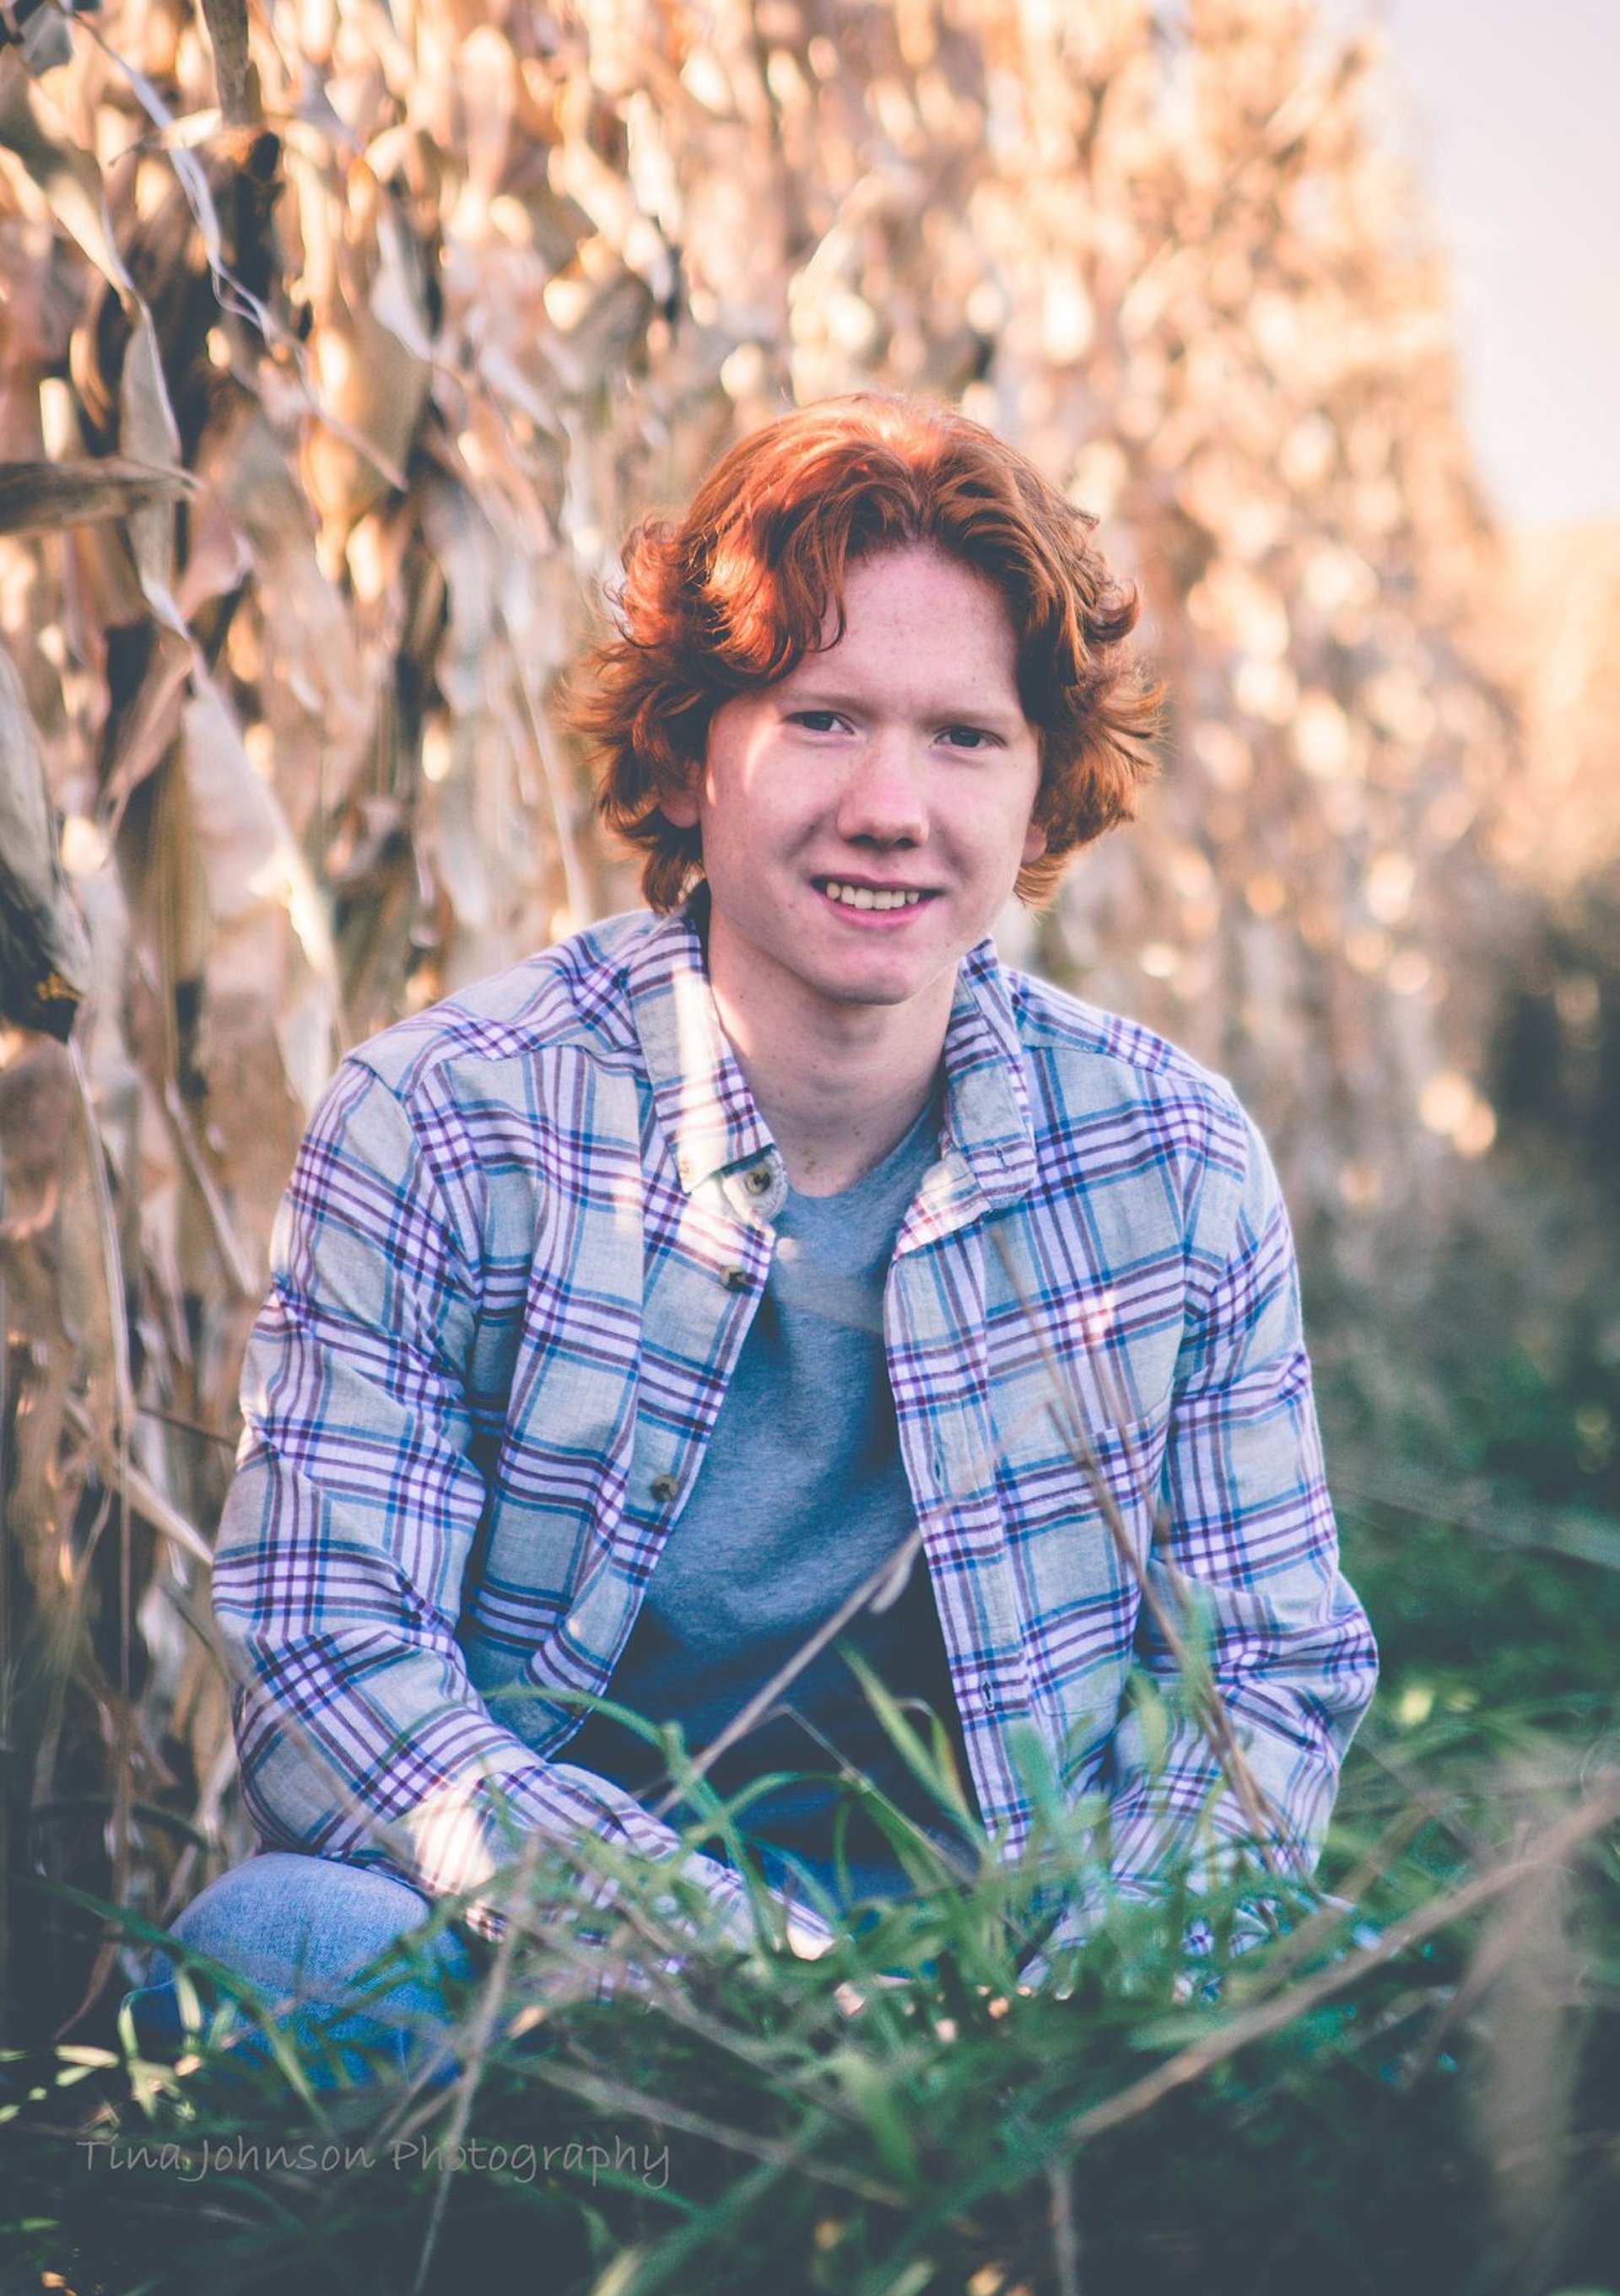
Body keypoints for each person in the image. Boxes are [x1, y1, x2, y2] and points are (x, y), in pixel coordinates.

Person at [131, 393, 1375, 2063]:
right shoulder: (445, 1125)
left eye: (964, 736)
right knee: (265, 1957)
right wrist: (750, 1979)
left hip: (1001, 1965)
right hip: (567, 1953)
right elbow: (333, 1663)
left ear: (1039, 787)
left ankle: (800, 2188)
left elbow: (1262, 1685)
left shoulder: (1170, 1166)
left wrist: (1057, 2019)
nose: (890, 804)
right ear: (693, 746)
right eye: (821, 718)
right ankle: (717, 2177)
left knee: (1407, 2020)